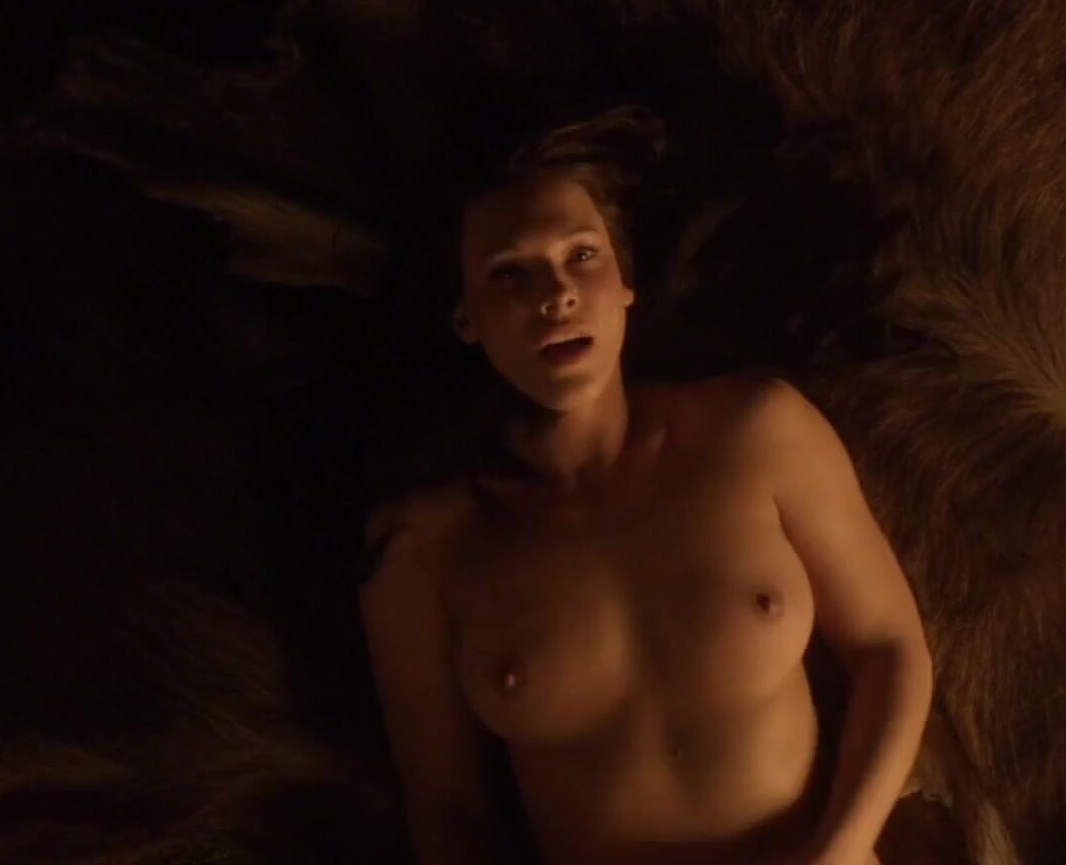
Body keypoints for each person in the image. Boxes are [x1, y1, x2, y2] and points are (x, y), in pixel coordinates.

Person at [356, 111, 933, 865]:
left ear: (623, 283)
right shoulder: (425, 545)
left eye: (581, 255)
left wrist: (841, 849)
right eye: (509, 273)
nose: (556, 295)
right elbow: (447, 809)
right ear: (466, 316)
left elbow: (890, 649)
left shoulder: (757, 432)